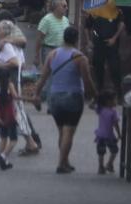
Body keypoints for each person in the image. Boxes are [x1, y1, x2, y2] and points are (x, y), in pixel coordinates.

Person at [32, 26, 97, 174]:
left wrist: (36, 94)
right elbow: (87, 81)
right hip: (73, 97)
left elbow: (43, 77)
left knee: (62, 131)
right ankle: (61, 163)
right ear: (76, 39)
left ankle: (65, 161)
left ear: (64, 38)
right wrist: (95, 95)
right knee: (69, 131)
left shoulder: (52, 54)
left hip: (54, 98)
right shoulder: (80, 58)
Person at [0, 19, 42, 156]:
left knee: (16, 113)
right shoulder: (7, 44)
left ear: (5, 32)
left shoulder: (7, 46)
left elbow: (15, 63)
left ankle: (31, 143)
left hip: (7, 84)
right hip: (4, 83)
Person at [85, 10, 126, 93]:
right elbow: (87, 26)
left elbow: (122, 24)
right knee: (98, 68)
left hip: (112, 43)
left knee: (115, 68)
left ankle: (118, 92)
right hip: (98, 43)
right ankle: (99, 92)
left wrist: (114, 38)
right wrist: (88, 41)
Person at [0, 69, 19, 171]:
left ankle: (2, 161)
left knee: (3, 138)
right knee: (13, 140)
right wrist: (30, 99)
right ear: (9, 77)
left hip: (0, 117)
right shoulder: (10, 86)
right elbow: (16, 97)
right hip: (10, 116)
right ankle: (3, 156)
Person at [36, 0, 71, 68]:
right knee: (49, 71)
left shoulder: (66, 20)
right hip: (49, 50)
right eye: (64, 6)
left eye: (66, 6)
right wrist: (37, 55)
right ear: (56, 7)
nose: (67, 8)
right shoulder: (46, 20)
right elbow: (39, 38)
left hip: (63, 50)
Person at [94, 91, 120, 175]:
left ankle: (100, 167)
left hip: (100, 135)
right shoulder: (113, 112)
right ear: (109, 101)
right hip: (109, 136)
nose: (116, 101)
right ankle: (109, 164)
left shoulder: (100, 109)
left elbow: (90, 106)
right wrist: (119, 134)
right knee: (114, 150)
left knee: (101, 152)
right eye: (115, 99)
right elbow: (116, 124)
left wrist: (95, 99)